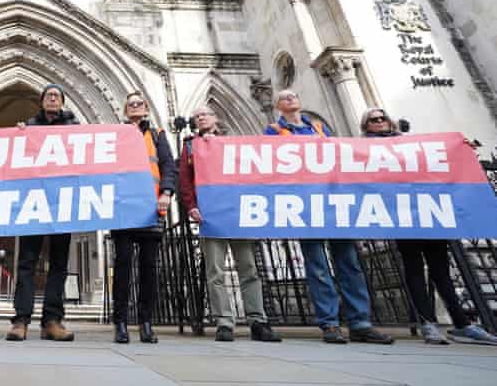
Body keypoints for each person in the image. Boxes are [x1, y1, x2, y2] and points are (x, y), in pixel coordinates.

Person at [264, 89, 393, 344]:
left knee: (349, 263)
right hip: (304, 205)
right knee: (318, 266)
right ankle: (330, 324)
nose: (291, 98)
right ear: (277, 106)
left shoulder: (320, 129)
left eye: (293, 95)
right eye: (284, 97)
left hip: (335, 202)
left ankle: (360, 323)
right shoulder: (273, 132)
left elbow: (342, 157)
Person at [361, 107, 497, 346]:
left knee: (441, 270)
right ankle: (428, 324)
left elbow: (436, 158)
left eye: (383, 117)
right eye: (374, 119)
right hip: (401, 214)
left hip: (429, 211)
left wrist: (460, 150)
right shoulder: (362, 149)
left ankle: (462, 324)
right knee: (414, 270)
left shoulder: (410, 143)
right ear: (366, 126)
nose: (380, 121)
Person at [180, 105, 281, 343]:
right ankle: (224, 322)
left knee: (248, 268)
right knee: (215, 271)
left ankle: (258, 320)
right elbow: (185, 179)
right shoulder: (189, 146)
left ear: (215, 117)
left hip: (237, 213)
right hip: (210, 215)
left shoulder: (235, 144)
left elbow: (252, 172)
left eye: (205, 113)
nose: (201, 117)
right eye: (196, 116)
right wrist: (191, 205)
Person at [6, 84, 79, 342]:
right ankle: (21, 320)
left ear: (62, 102)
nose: (52, 98)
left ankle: (52, 320)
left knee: (59, 263)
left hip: (63, 202)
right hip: (33, 203)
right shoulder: (29, 128)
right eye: (48, 95)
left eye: (57, 95)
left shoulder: (76, 129)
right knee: (26, 262)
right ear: (42, 101)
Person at [110, 92, 175, 344]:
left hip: (151, 207)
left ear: (146, 109)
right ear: (125, 111)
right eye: (130, 104)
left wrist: (167, 192)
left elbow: (169, 165)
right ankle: (121, 322)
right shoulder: (116, 135)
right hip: (124, 209)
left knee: (149, 267)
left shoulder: (158, 135)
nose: (135, 107)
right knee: (123, 265)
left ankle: (146, 322)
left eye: (139, 103)